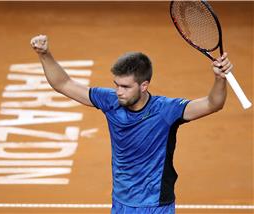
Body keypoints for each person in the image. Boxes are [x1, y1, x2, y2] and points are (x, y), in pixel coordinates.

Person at [30, 34, 232, 214]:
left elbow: (212, 103)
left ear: (144, 86)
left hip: (156, 205)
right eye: (116, 85)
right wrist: (45, 54)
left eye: (126, 87)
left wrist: (219, 78)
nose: (119, 92)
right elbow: (63, 84)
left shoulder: (165, 111)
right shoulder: (110, 101)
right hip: (121, 203)